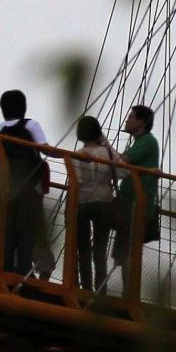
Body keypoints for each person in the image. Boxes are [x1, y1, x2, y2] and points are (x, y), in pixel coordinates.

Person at [0, 89, 51, 277]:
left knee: (6, 230)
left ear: (3, 109)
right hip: (29, 190)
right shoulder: (31, 125)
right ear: (24, 107)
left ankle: (5, 269)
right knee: (28, 231)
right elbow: (45, 149)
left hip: (4, 189)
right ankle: (24, 271)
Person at [67, 116, 118, 290]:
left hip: (83, 202)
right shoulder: (108, 153)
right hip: (105, 202)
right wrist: (105, 142)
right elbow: (123, 172)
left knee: (83, 247)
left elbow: (77, 182)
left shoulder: (76, 156)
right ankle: (101, 289)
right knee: (100, 249)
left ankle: (86, 288)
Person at [113, 104, 160, 278]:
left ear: (141, 122)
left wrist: (104, 144)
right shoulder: (141, 142)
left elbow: (123, 161)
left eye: (131, 117)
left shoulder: (147, 141)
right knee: (123, 253)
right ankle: (126, 293)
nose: (127, 120)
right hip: (130, 204)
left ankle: (128, 294)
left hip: (136, 206)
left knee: (128, 251)